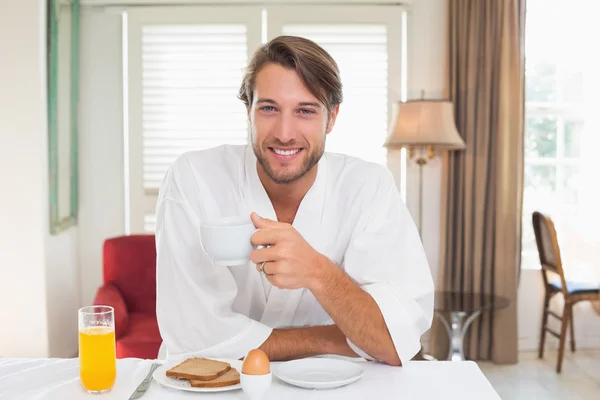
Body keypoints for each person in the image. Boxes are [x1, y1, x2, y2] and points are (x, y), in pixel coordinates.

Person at [155, 35, 434, 366]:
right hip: (216, 384)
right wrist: (333, 339)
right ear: (249, 111)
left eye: (305, 110)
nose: (284, 133)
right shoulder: (194, 178)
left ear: (331, 118)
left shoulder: (369, 187)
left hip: (330, 386)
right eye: (269, 108)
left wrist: (318, 271)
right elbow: (193, 336)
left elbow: (393, 342)